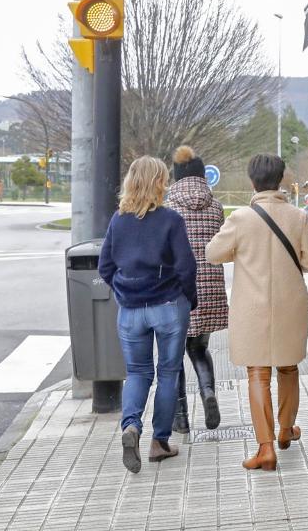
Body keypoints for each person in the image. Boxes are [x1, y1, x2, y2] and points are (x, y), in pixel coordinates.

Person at [206, 153, 308, 472]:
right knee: (288, 368)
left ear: (252, 180)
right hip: (290, 304)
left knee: (258, 373)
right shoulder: (297, 216)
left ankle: (265, 447)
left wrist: (243, 253)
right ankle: (286, 430)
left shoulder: (241, 218)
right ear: (281, 179)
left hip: (251, 308)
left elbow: (213, 253)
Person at [97, 156, 197, 474]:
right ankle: (160, 443)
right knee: (168, 372)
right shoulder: (170, 220)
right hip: (168, 306)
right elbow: (186, 267)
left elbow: (105, 267)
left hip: (131, 311)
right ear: (159, 182)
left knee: (138, 373)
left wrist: (125, 292)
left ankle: (131, 427)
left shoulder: (119, 220)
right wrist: (189, 299)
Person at [165, 146, 227, 433]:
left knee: (174, 355)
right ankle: (209, 393)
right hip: (211, 286)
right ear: (203, 176)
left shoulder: (168, 207)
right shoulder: (216, 206)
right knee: (199, 348)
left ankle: (180, 417)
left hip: (178, 289)